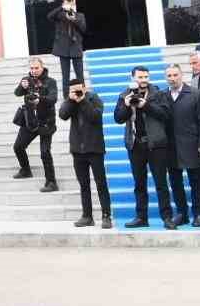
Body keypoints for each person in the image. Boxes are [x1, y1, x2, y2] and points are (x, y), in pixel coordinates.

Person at [112, 66, 173, 229]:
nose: (144, 79)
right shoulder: (124, 94)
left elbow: (166, 115)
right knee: (139, 184)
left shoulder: (159, 93)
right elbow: (117, 118)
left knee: (161, 183)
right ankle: (141, 217)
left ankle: (167, 217)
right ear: (133, 78)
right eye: (140, 77)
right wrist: (126, 105)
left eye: (146, 76)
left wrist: (145, 105)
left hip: (156, 144)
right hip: (135, 144)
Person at [163, 63, 200, 228]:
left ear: (181, 75)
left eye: (175, 75)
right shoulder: (162, 95)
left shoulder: (195, 94)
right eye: (169, 76)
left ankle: (198, 214)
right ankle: (182, 214)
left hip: (192, 146)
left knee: (196, 183)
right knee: (176, 183)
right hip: (170, 148)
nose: (172, 78)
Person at [56, 75, 110, 228]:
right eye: (73, 90)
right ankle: (87, 216)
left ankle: (106, 216)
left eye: (79, 89)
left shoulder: (94, 98)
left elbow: (95, 117)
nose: (77, 92)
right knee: (83, 184)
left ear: (84, 88)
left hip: (95, 149)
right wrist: (71, 100)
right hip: (77, 150)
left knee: (101, 183)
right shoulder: (70, 101)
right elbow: (63, 115)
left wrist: (82, 100)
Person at [11, 57, 59, 192]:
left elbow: (53, 99)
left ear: (42, 67)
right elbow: (17, 93)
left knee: (45, 152)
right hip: (30, 121)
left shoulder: (51, 82)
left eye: (36, 68)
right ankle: (25, 170)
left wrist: (40, 100)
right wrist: (22, 86)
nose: (34, 71)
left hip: (46, 123)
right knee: (18, 147)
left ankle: (51, 182)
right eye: (31, 68)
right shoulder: (27, 79)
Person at [47, 0, 87, 90]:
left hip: (76, 48)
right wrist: (61, 7)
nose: (69, 5)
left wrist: (74, 20)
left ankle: (83, 95)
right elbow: (49, 16)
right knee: (65, 76)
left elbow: (83, 29)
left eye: (70, 3)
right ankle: (66, 97)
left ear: (73, 4)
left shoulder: (79, 16)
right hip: (63, 49)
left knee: (80, 75)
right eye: (66, 3)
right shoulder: (60, 16)